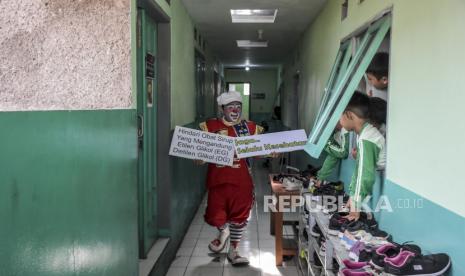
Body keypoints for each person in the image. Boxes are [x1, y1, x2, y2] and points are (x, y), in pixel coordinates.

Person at [197, 91, 264, 266]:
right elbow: (199, 155)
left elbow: (257, 153)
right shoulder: (210, 126)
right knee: (215, 214)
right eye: (231, 106)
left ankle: (233, 251)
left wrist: (271, 151)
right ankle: (223, 231)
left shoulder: (249, 128)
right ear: (222, 108)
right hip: (218, 180)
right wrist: (200, 157)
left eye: (238, 106)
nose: (235, 110)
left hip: (241, 181)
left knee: (239, 217)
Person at [339, 92, 386, 221]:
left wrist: (356, 203)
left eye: (340, 116)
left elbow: (365, 175)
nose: (339, 121)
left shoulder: (367, 138)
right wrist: (352, 196)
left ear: (349, 115)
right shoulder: (365, 134)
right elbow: (359, 170)